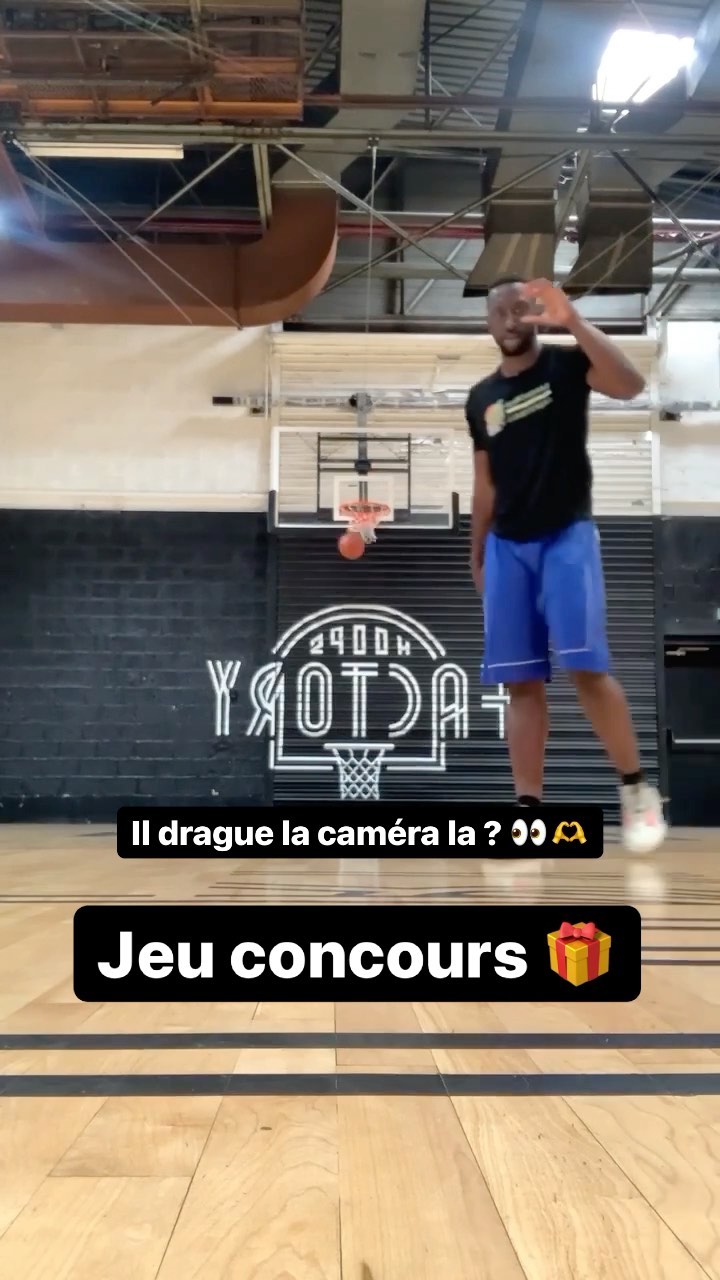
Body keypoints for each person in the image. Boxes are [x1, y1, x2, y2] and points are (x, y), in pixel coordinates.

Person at [466, 275, 666, 854]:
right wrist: (476, 550)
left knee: (586, 669)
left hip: (566, 535)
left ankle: (636, 789)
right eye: (499, 312)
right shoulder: (480, 398)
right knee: (520, 684)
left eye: (519, 309)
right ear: (488, 323)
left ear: (535, 313)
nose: (509, 319)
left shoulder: (567, 365)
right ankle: (528, 809)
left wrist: (574, 320)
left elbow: (631, 384)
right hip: (506, 547)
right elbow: (484, 484)